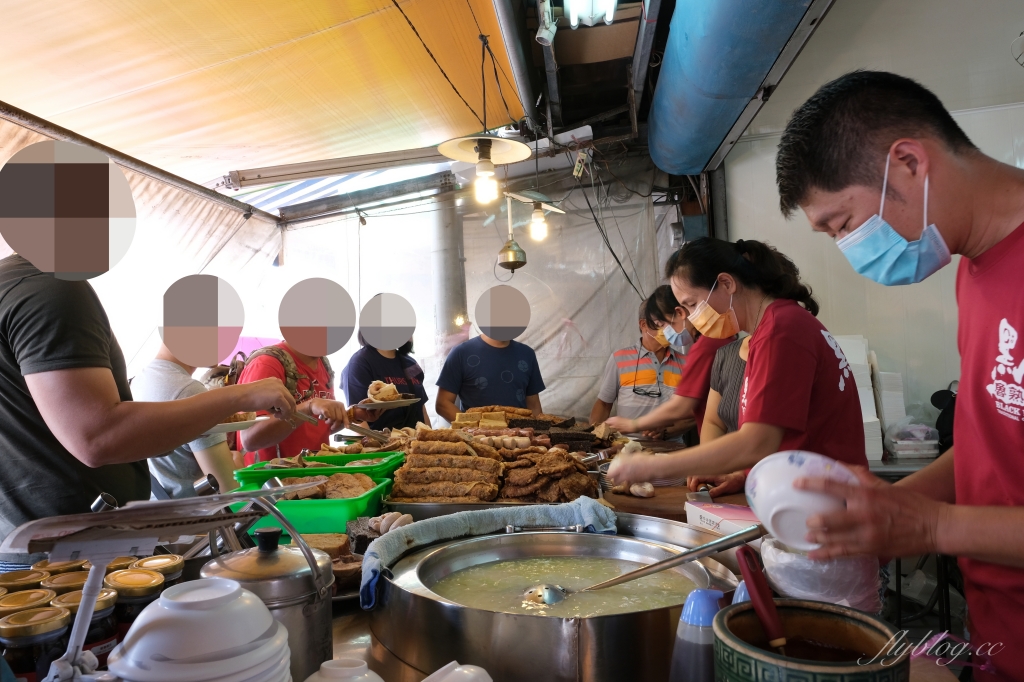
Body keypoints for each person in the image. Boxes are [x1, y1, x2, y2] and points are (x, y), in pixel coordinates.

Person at [775, 70, 1024, 678]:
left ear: (909, 161)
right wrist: (884, 508)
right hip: (998, 633)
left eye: (843, 224)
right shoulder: (973, 269)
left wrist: (932, 525)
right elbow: (987, 451)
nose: (851, 247)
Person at [0, 254, 296, 566]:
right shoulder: (50, 287)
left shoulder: (12, 280)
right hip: (71, 554)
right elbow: (97, 437)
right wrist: (239, 396)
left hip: (31, 542)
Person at [608, 237, 868, 485]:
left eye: (693, 304)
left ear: (726, 283)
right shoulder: (769, 330)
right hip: (804, 489)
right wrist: (741, 475)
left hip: (826, 498)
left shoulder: (781, 331)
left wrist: (654, 467)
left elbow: (757, 442)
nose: (692, 317)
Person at [605, 283, 734, 440]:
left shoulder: (705, 346)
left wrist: (633, 424)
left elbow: (682, 405)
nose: (665, 333)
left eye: (663, 325)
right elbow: (701, 403)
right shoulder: (722, 337)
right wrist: (662, 419)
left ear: (679, 312)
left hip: (726, 441)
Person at [132, 344, 241, 498]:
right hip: (199, 517)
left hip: (156, 511)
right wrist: (238, 463)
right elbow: (229, 490)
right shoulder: (189, 390)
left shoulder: (139, 381)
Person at [237, 341, 355, 463]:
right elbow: (249, 440)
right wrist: (308, 407)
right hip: (272, 478)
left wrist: (352, 415)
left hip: (311, 473)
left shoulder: (323, 363)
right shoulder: (266, 364)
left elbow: (315, 428)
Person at [590, 298, 688, 441]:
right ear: (643, 325)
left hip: (673, 449)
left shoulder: (685, 363)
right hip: (628, 448)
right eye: (661, 324)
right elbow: (604, 404)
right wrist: (594, 439)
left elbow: (693, 414)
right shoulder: (619, 359)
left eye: (671, 324)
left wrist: (668, 431)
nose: (668, 330)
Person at [686, 336, 749, 496]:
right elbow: (713, 422)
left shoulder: (784, 352)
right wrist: (709, 467)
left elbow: (763, 437)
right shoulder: (726, 354)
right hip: (726, 483)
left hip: (771, 485)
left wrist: (741, 475)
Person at [435, 332, 544, 423]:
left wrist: (539, 436)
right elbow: (443, 403)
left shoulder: (527, 354)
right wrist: (472, 428)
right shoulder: (461, 353)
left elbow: (534, 406)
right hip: (476, 441)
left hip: (521, 440)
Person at [343, 333, 430, 430]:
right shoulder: (360, 362)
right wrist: (372, 442)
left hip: (417, 441)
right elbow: (357, 419)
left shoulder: (411, 364)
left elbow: (422, 409)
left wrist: (430, 438)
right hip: (383, 443)